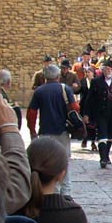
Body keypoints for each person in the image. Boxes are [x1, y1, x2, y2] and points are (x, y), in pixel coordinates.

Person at [26, 64, 79, 196]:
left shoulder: (39, 91)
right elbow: (74, 108)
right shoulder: (65, 89)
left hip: (45, 131)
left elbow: (31, 113)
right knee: (64, 160)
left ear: (44, 77)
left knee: (47, 162)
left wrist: (32, 130)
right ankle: (66, 192)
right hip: (62, 130)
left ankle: (50, 191)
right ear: (58, 76)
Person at [82, 60, 112, 168]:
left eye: (111, 69)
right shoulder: (96, 81)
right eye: (107, 69)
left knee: (110, 135)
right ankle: (103, 158)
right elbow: (89, 99)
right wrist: (86, 114)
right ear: (103, 70)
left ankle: (106, 155)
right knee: (102, 134)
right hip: (100, 112)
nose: (109, 70)